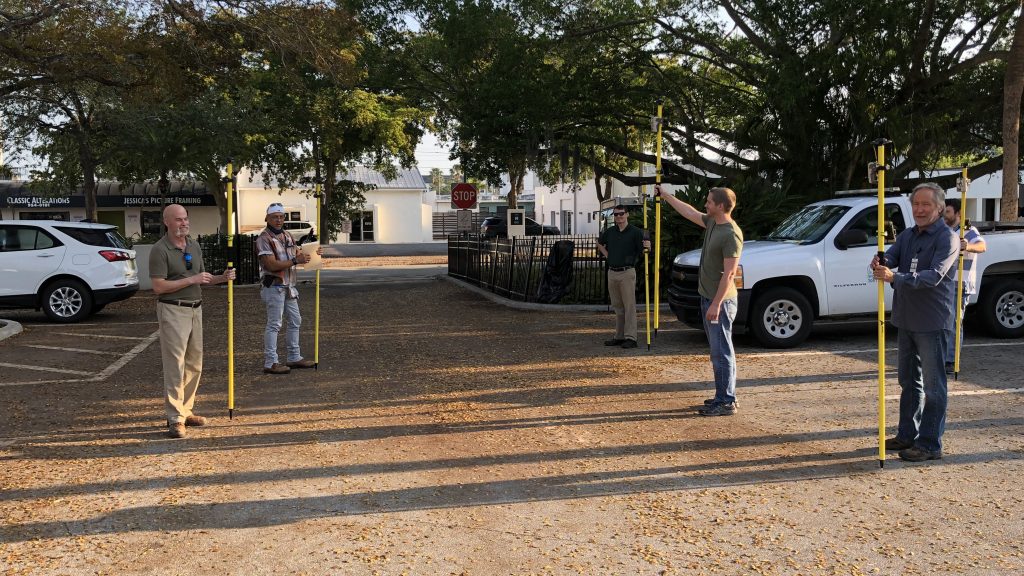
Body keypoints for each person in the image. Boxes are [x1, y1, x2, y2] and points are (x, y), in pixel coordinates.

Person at [871, 183, 958, 462]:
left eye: (926, 205)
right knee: (908, 381)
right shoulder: (908, 235)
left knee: (934, 387)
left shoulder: (947, 238)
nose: (919, 210)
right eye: (916, 204)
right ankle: (907, 434)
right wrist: (879, 262)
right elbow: (893, 257)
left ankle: (930, 444)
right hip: (906, 318)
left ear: (939, 208)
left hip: (932, 321)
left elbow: (934, 276)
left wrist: (895, 278)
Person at [655, 184, 743, 416]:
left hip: (721, 302)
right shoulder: (714, 222)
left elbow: (730, 274)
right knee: (717, 351)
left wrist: (715, 304)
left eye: (710, 201)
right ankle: (722, 395)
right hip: (709, 298)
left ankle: (726, 401)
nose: (706, 204)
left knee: (722, 351)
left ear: (721, 206)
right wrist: (665, 195)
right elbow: (690, 212)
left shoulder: (731, 234)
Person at [150, 204, 235, 439]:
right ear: (167, 222)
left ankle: (186, 410)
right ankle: (175, 418)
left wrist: (221, 278)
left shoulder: (194, 246)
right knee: (175, 365)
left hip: (195, 309)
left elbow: (202, 279)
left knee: (194, 364)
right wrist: (191, 280)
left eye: (185, 218)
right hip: (173, 310)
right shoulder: (160, 250)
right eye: (178, 219)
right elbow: (158, 286)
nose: (184, 223)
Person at [257, 202, 322, 374]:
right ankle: (271, 362)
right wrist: (295, 261)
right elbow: (270, 265)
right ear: (267, 218)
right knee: (274, 324)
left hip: (289, 285)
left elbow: (298, 254)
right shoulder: (264, 238)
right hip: (275, 286)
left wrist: (313, 253)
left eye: (281, 217)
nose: (278, 220)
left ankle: (294, 357)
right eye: (274, 217)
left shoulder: (287, 235)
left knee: (295, 320)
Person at [597, 205, 651, 349]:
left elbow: (644, 250)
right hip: (612, 272)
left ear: (627, 214)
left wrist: (648, 246)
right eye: (616, 215)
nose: (619, 217)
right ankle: (619, 336)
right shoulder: (610, 232)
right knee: (618, 306)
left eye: (621, 214)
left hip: (627, 272)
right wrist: (608, 255)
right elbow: (600, 243)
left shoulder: (635, 232)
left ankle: (631, 337)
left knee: (629, 306)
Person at [942, 198, 986, 374]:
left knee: (954, 322)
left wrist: (968, 245)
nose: (944, 215)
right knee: (943, 323)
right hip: (944, 283)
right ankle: (944, 358)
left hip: (960, 283)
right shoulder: (945, 231)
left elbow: (982, 246)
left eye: (948, 212)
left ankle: (951, 360)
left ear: (958, 213)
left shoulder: (967, 231)